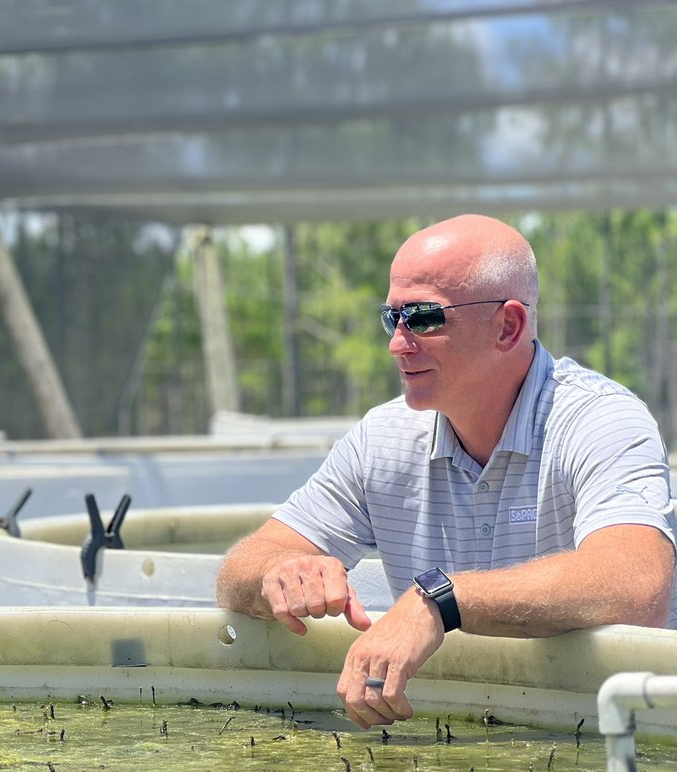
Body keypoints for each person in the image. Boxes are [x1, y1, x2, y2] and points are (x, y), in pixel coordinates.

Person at [217, 214, 676, 729]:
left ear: (508, 327)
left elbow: (637, 586)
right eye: (392, 318)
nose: (397, 343)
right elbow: (239, 569)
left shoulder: (602, 421)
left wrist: (440, 600)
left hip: (619, 739)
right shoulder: (382, 438)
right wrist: (280, 572)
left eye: (424, 318)